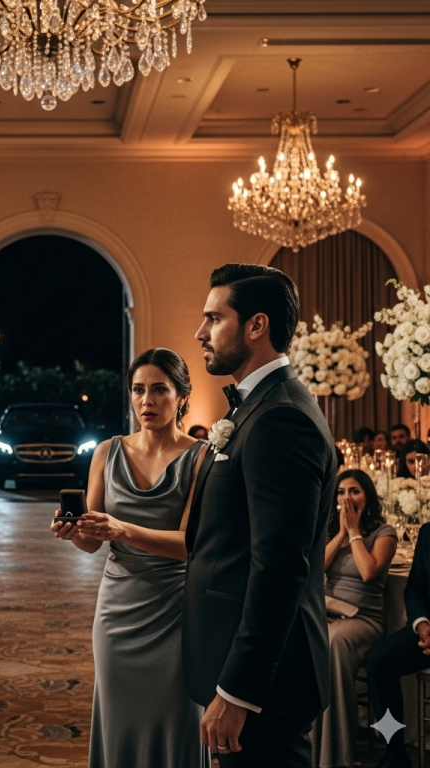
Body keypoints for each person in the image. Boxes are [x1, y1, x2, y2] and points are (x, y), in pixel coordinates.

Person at [185, 263, 337, 767]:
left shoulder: (282, 417)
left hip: (266, 684)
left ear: (256, 325)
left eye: (214, 318)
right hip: (242, 666)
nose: (200, 332)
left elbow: (279, 566)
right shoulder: (255, 407)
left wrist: (238, 691)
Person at [51, 348, 209, 768]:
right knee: (119, 721)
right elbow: (93, 543)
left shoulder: (202, 456)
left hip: (176, 612)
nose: (146, 401)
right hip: (118, 613)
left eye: (159, 390)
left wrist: (122, 529)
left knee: (177, 720)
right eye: (138, 390)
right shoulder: (106, 452)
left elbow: (192, 545)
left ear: (182, 397)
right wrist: (75, 532)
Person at [311, 469, 397, 768]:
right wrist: (341, 534)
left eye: (354, 491)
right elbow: (316, 569)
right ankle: (306, 746)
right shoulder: (332, 531)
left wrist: (355, 532)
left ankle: (335, 754)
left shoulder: (384, 532)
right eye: (341, 492)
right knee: (303, 636)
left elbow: (368, 572)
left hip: (364, 619)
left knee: (333, 641)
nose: (347, 498)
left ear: (367, 496)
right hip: (328, 611)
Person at [366, 521, 430, 768]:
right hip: (427, 632)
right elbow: (415, 589)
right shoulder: (427, 532)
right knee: (379, 661)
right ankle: (394, 752)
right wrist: (422, 625)